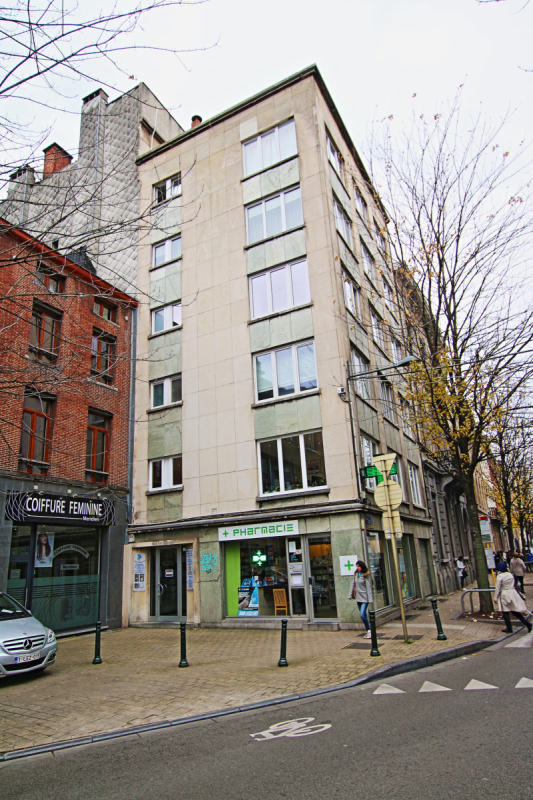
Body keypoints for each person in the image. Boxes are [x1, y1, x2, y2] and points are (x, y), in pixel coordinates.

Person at [494, 561, 532, 634]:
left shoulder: (500, 576)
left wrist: (495, 597)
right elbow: (517, 584)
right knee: (515, 611)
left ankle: (509, 628)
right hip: (512, 593)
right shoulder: (511, 575)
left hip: (504, 594)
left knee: (505, 612)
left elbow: (498, 588)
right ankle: (527, 623)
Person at [349, 560, 373, 639]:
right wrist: (350, 595)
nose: (358, 568)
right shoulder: (356, 574)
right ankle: (368, 630)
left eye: (359, 566)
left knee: (362, 614)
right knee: (363, 616)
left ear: (362, 567)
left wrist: (370, 599)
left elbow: (368, 588)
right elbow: (353, 584)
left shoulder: (365, 575)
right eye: (357, 566)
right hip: (358, 598)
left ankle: (369, 631)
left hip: (365, 599)